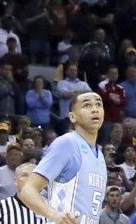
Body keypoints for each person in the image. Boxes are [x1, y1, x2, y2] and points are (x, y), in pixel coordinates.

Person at [20, 91, 108, 224]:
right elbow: (28, 190)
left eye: (98, 104)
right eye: (87, 105)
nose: (95, 109)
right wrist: (55, 215)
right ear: (72, 117)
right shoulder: (67, 144)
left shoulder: (100, 156)